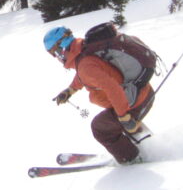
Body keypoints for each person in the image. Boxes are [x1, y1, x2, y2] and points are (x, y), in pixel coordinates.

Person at [43, 23, 157, 165]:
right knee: (113, 121)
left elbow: (112, 88)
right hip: (139, 92)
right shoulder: (84, 51)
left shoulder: (85, 65)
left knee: (101, 128)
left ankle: (132, 159)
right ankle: (148, 144)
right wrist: (70, 90)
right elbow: (86, 75)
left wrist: (124, 117)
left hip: (135, 100)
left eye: (54, 52)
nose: (56, 57)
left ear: (62, 47)